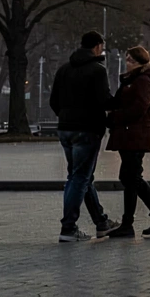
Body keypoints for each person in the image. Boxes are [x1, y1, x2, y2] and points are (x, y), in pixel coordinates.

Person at [50, 31, 120, 241]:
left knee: (82, 176)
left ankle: (101, 222)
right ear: (98, 46)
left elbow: (54, 100)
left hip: (66, 128)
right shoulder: (97, 70)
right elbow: (104, 101)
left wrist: (65, 116)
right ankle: (68, 228)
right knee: (79, 177)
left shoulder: (63, 70)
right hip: (88, 129)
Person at [104, 46, 150, 238]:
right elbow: (121, 102)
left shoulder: (143, 80)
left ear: (141, 62)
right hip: (129, 134)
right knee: (129, 178)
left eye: (131, 60)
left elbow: (138, 108)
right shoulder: (131, 80)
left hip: (136, 135)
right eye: (127, 59)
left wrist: (114, 117)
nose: (128, 63)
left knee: (131, 177)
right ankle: (132, 222)